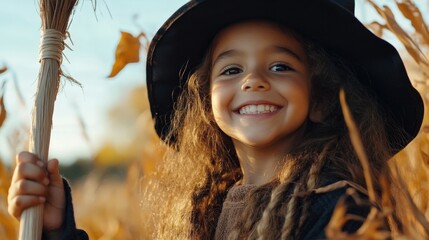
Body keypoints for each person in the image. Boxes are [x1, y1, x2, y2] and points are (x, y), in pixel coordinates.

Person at [7, 0, 424, 239]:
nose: (254, 81)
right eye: (230, 70)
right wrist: (56, 227)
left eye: (280, 66)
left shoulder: (342, 211)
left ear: (321, 98)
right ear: (207, 105)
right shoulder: (208, 211)